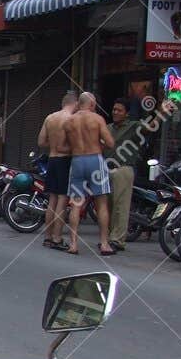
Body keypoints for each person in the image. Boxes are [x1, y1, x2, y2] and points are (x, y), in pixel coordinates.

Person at [65, 90, 115, 255]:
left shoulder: (69, 121)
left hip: (77, 161)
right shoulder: (97, 119)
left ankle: (73, 244)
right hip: (95, 160)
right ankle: (104, 243)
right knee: (101, 203)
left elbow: (66, 145)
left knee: (75, 204)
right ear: (92, 104)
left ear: (79, 104)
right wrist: (98, 144)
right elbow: (110, 143)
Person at [36, 88, 78, 249]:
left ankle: (47, 236)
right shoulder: (71, 119)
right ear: (75, 103)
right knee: (62, 199)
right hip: (64, 161)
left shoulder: (50, 117)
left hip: (51, 160)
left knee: (52, 200)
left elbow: (41, 142)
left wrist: (54, 145)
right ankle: (57, 238)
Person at [107, 99, 140, 252]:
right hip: (107, 169)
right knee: (108, 205)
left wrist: (162, 112)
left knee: (121, 207)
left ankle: (117, 240)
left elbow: (151, 127)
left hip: (123, 169)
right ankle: (109, 236)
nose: (115, 112)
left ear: (126, 114)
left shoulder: (133, 126)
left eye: (119, 110)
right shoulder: (108, 128)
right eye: (114, 109)